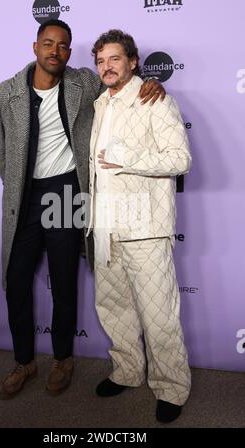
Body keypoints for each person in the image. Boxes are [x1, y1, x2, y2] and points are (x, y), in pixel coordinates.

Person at [0, 19, 165, 400]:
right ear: (36, 47)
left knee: (64, 279)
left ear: (69, 51)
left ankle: (63, 359)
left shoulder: (83, 82)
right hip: (24, 197)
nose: (55, 51)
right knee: (16, 281)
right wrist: (15, 178)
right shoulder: (7, 93)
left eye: (63, 45)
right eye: (48, 44)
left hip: (66, 192)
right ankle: (24, 362)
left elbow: (121, 81)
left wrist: (149, 79)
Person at [88, 29, 192, 423]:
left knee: (158, 313)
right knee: (114, 307)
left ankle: (171, 386)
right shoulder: (100, 103)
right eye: (100, 61)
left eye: (114, 59)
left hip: (146, 227)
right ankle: (128, 371)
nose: (106, 67)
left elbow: (180, 159)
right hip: (104, 226)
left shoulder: (156, 100)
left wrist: (125, 156)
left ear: (133, 62)